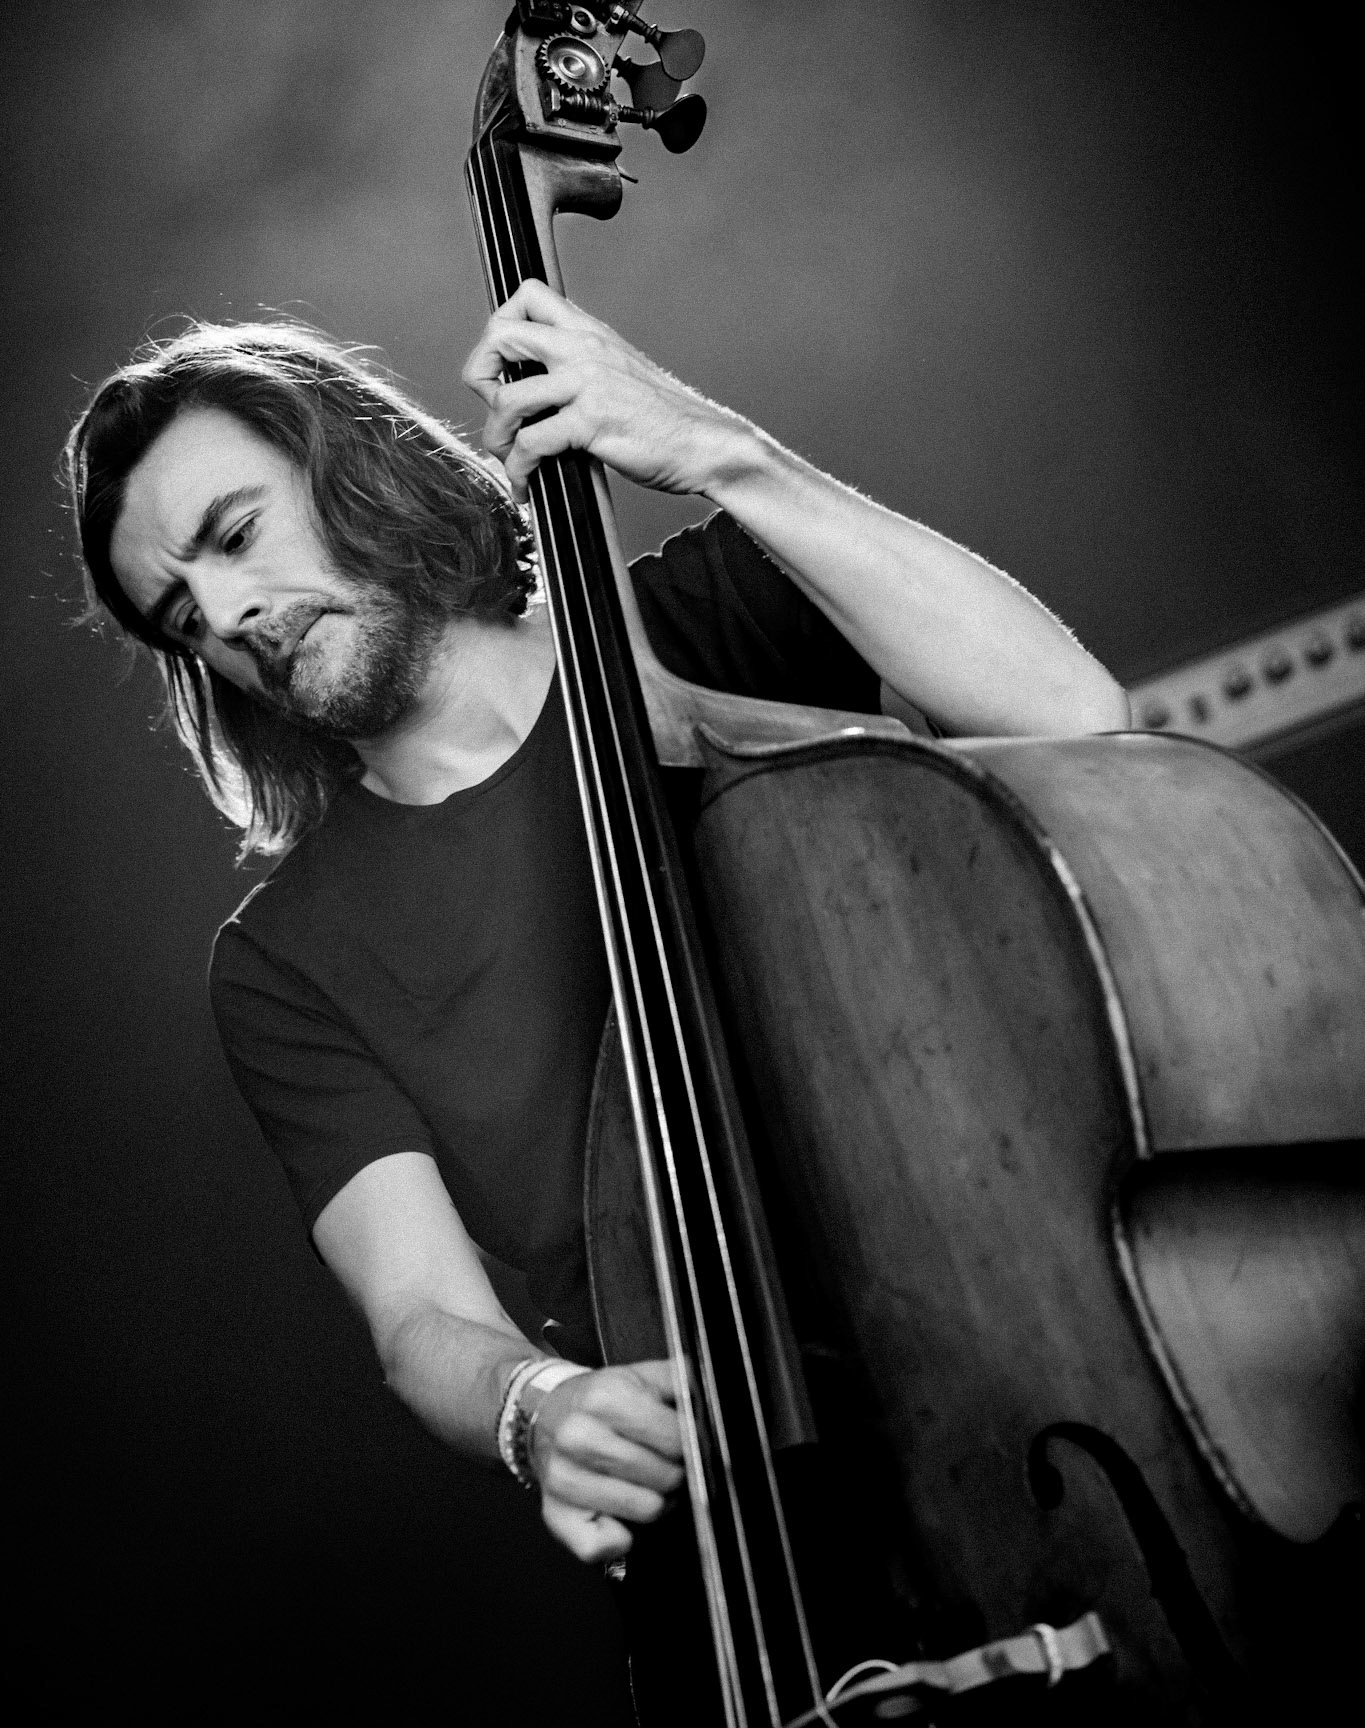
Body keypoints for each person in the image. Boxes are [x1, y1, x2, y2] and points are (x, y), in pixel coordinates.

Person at [65, 278, 1129, 1702]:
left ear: (351, 461)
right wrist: (535, 1408)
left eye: (237, 536)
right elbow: (421, 1320)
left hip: (1054, 1378)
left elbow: (1072, 717)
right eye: (180, 614)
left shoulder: (698, 622)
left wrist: (714, 450)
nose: (233, 615)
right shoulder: (283, 962)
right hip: (740, 1524)